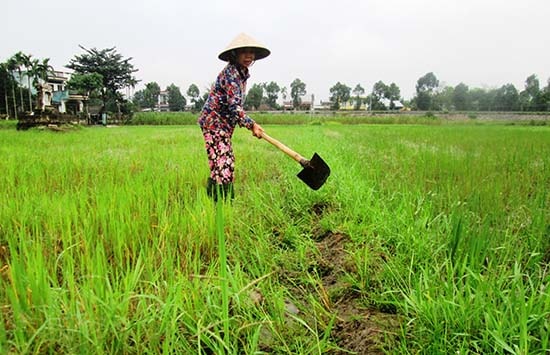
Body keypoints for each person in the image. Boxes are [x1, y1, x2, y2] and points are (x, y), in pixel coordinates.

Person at [198, 33, 270, 201]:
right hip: (214, 123)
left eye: (251, 52)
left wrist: (249, 123)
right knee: (222, 163)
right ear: (234, 54)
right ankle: (220, 204)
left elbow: (234, 107)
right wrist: (252, 124)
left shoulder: (241, 73)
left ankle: (222, 202)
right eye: (244, 51)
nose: (249, 56)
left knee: (225, 161)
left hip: (224, 124)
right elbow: (234, 106)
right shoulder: (231, 73)